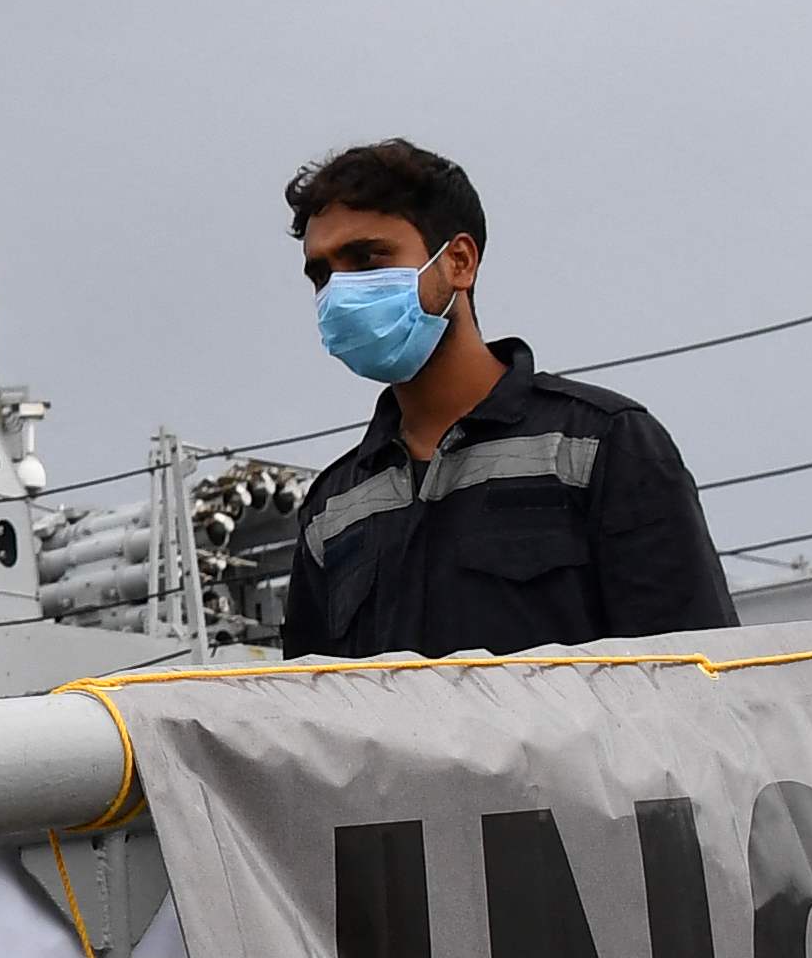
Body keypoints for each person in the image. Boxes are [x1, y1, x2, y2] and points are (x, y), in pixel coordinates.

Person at [273, 138, 737, 655]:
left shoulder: (601, 443)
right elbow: (309, 707)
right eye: (321, 274)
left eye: (368, 259)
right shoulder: (332, 507)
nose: (340, 292)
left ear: (459, 262)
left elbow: (695, 675)